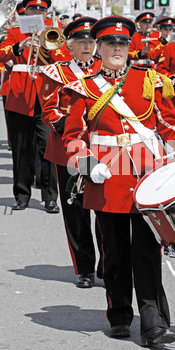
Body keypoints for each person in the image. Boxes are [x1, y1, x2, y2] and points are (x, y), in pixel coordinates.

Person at [62, 15, 175, 347]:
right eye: (110, 44)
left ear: (130, 47)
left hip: (147, 178)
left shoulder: (148, 80)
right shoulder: (83, 87)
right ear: (98, 48)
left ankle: (154, 323)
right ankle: (119, 315)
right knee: (114, 254)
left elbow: (166, 122)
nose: (117, 49)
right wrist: (86, 165)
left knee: (147, 251)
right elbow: (71, 139)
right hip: (106, 179)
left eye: (122, 44)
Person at [39, 17, 103, 288]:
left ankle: (108, 265)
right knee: (75, 211)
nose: (87, 47)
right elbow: (49, 111)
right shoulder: (57, 72)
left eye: (91, 42)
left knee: (104, 209)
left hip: (102, 149)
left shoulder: (106, 68)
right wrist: (73, 127)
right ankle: (85, 268)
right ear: (70, 46)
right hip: (68, 149)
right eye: (81, 42)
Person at [0, 0, 70, 212]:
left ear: (46, 13)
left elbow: (65, 59)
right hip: (20, 97)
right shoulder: (14, 32)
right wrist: (21, 45)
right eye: (32, 10)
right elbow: (1, 54)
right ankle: (21, 195)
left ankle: (49, 197)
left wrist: (48, 46)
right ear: (25, 11)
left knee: (47, 148)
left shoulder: (54, 32)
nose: (36, 13)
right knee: (21, 149)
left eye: (41, 10)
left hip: (46, 98)